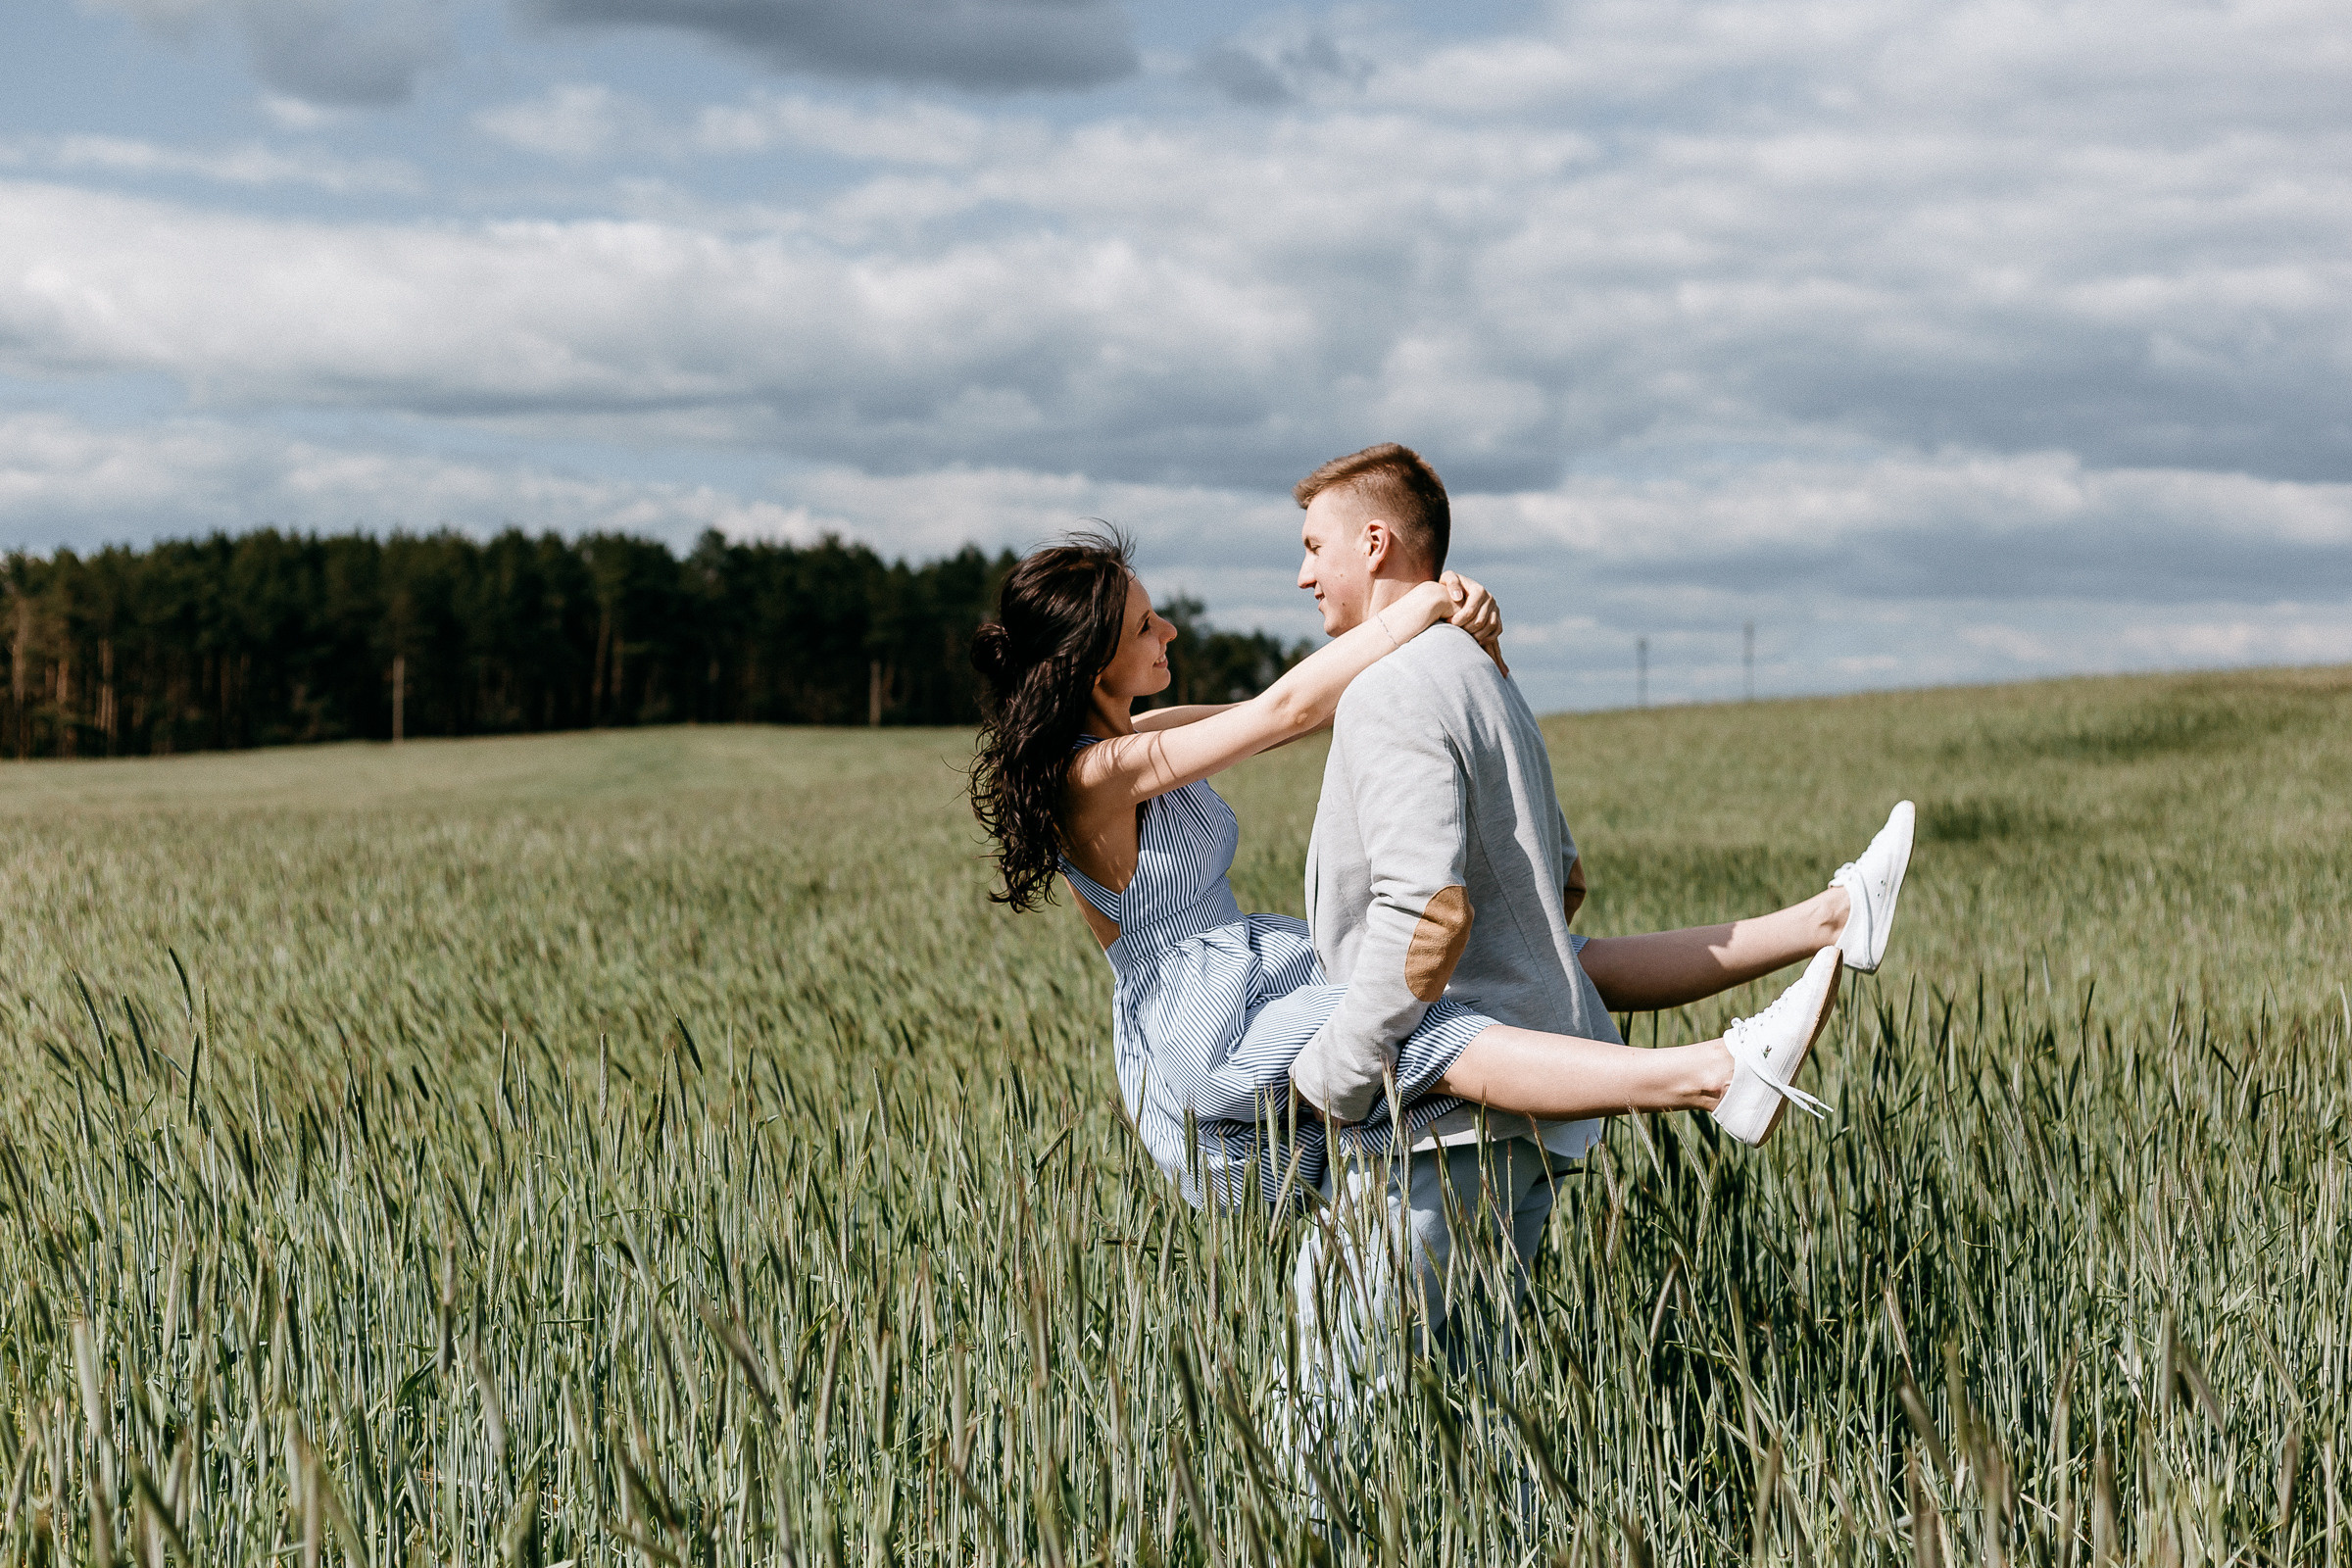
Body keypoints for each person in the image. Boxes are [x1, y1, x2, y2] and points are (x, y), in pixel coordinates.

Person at [1276, 441, 1912, 1466]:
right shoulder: (1486, 680)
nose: (1304, 574)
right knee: (1471, 1437)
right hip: (1523, 1130)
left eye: (1314, 547)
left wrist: (1341, 1076)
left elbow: (1419, 906)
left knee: (1316, 1434)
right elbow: (1561, 888)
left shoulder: (1390, 689)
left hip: (1438, 1136)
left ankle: (1740, 1037)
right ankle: (1825, 923)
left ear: (1375, 541)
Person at [964, 528, 1903, 1218]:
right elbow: (1286, 709)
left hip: (1248, 969)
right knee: (1432, 1027)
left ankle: (1830, 920)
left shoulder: (1140, 738)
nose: (1167, 627)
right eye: (1143, 623)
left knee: (1548, 953)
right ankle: (1712, 1075)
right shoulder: (1091, 776)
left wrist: (1466, 645)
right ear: (1092, 661)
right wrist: (1417, 602)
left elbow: (1312, 704)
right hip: (1205, 1014)